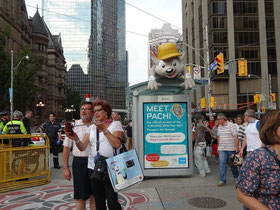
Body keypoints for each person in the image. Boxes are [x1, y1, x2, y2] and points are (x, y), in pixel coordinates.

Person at [66, 100, 123, 210]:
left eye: (99, 110)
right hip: (93, 168)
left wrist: (104, 130)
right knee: (98, 201)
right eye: (94, 111)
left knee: (112, 202)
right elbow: (82, 147)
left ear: (106, 111)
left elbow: (117, 144)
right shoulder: (92, 127)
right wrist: (76, 139)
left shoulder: (115, 124)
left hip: (111, 167)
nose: (96, 113)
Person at [236, 110, 280, 210]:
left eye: (244, 116)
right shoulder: (246, 126)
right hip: (255, 153)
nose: (243, 118)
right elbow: (242, 194)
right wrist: (242, 149)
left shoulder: (257, 123)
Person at [63, 101, 95, 210]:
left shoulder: (98, 125)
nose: (84, 111)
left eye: (87, 109)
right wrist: (66, 168)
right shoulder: (74, 126)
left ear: (93, 112)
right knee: (80, 197)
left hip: (96, 164)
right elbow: (66, 148)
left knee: (94, 195)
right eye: (82, 109)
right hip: (80, 163)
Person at [216, 113, 239, 187]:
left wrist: (237, 147)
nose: (217, 120)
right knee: (222, 164)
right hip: (222, 149)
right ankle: (222, 180)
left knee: (233, 165)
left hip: (231, 148)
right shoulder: (219, 127)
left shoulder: (231, 125)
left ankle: (236, 178)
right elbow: (219, 137)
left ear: (223, 119)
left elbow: (235, 136)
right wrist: (218, 147)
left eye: (219, 119)